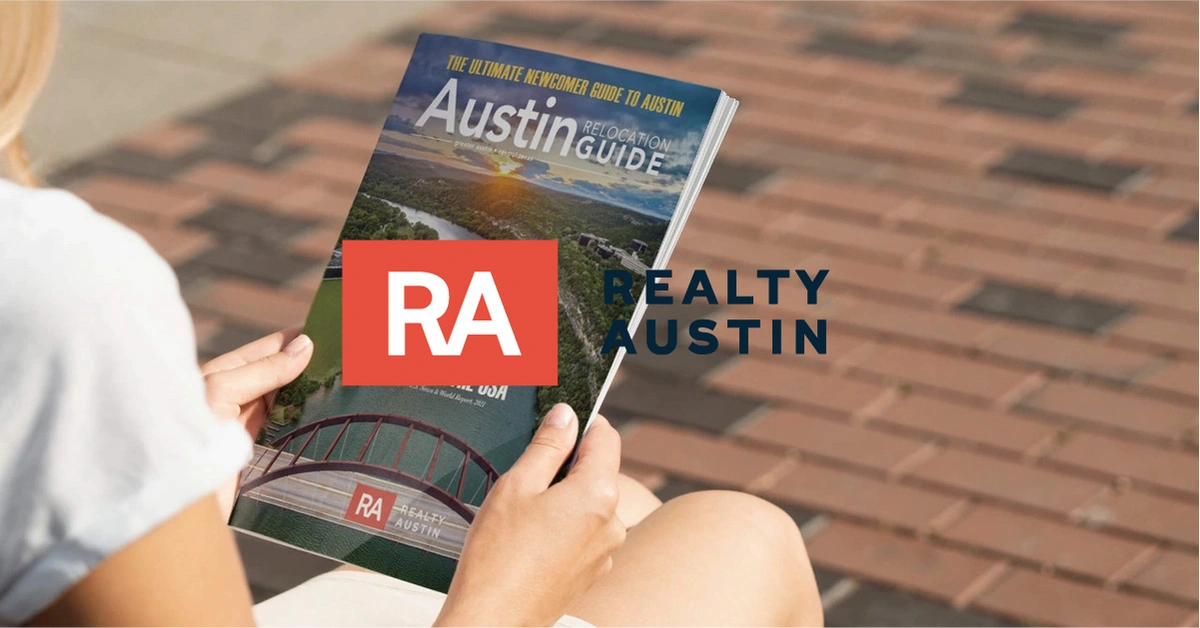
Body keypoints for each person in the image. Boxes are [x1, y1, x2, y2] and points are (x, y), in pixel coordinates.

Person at [0, 2, 823, 627]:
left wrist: (144, 485)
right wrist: (504, 603)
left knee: (626, 511)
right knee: (740, 532)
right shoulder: (58, 283)